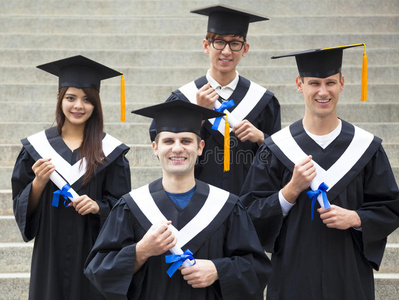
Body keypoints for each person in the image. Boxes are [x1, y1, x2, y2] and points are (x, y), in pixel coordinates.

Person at [240, 43, 399, 300]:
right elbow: (247, 213)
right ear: (299, 84)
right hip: (293, 276)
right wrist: (289, 191)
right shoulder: (276, 149)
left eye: (330, 83)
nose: (323, 91)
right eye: (314, 83)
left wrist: (356, 218)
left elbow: (391, 207)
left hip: (348, 276)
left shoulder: (366, 148)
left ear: (342, 83)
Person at [85, 100, 271, 300]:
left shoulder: (227, 206)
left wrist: (218, 269)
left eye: (185, 141)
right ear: (155, 148)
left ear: (200, 147)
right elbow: (99, 270)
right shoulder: (131, 206)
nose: (177, 148)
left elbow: (257, 268)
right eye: (168, 141)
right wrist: (140, 251)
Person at [11, 55, 132, 300]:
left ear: (96, 104)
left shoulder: (110, 152)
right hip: (49, 248)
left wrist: (98, 206)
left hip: (92, 249)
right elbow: (23, 208)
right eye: (71, 98)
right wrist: (38, 183)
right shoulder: (36, 148)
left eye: (87, 99)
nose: (79, 105)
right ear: (59, 99)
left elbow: (122, 208)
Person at [149, 5, 281, 195]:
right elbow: (163, 148)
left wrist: (261, 139)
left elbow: (278, 157)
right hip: (195, 199)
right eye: (219, 42)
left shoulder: (262, 100)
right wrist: (198, 115)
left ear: (245, 49)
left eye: (235, 43)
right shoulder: (183, 98)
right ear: (206, 46)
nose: (226, 51)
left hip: (246, 201)